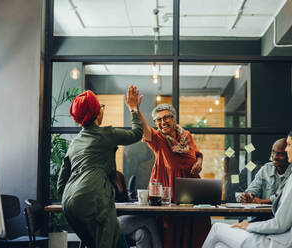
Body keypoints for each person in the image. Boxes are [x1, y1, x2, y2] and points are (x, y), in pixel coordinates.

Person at [202, 127, 292, 248]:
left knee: (217, 228)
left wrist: (248, 226)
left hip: (282, 243)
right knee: (220, 245)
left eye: (289, 145)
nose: (287, 150)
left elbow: (280, 224)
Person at [57, 86, 143, 248]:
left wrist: (76, 197)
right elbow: (137, 133)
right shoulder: (106, 134)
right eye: (101, 107)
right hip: (93, 199)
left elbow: (61, 184)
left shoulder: (75, 143)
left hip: (69, 204)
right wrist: (133, 108)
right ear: (97, 113)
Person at [141, 103, 211, 248]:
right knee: (171, 233)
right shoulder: (158, 139)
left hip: (192, 192)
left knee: (197, 231)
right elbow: (144, 131)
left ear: (174, 118)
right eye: (158, 120)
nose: (162, 122)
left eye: (166, 117)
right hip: (169, 193)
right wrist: (134, 109)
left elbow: (197, 155)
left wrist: (199, 162)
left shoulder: (187, 136)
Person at [113, 171, 162, 248]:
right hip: (111, 221)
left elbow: (125, 200)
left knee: (143, 234)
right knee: (149, 219)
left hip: (123, 220)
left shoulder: (119, 176)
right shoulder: (100, 178)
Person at [240, 138, 292, 204]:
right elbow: (253, 188)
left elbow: (286, 196)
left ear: (288, 154)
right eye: (273, 152)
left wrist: (262, 201)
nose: (275, 157)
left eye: (280, 154)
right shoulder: (266, 168)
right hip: (265, 214)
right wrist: (248, 196)